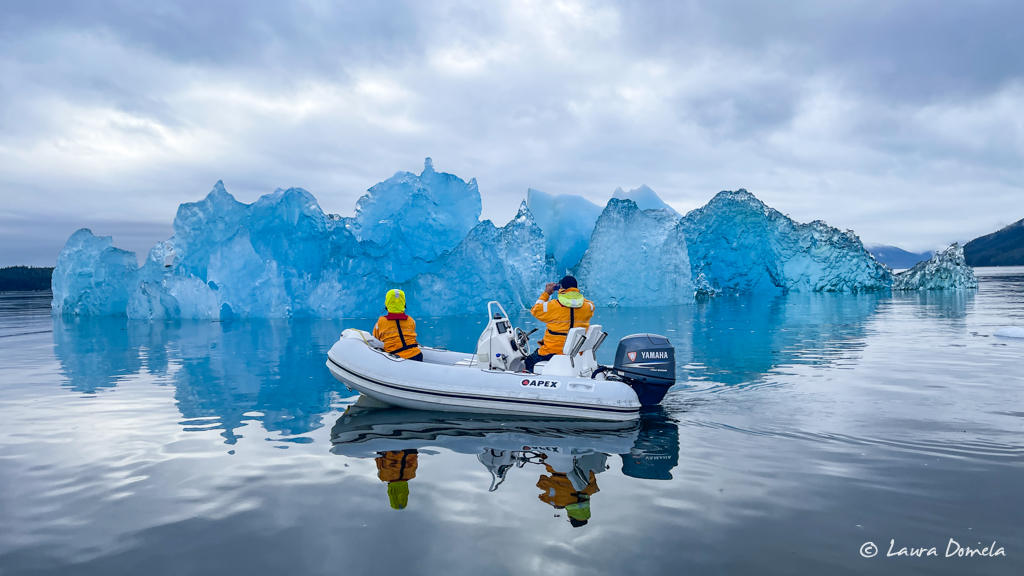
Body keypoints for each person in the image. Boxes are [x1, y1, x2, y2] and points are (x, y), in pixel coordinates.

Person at [525, 275, 595, 373]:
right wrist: (576, 296)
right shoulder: (587, 307)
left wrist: (546, 293)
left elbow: (535, 310)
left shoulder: (553, 306)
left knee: (529, 361)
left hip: (552, 350)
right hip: (576, 351)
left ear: (561, 288)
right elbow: (590, 304)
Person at [372, 289, 423, 361]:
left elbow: (376, 339)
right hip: (416, 355)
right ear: (404, 303)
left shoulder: (381, 322)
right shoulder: (411, 320)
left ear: (387, 303)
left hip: (395, 358)